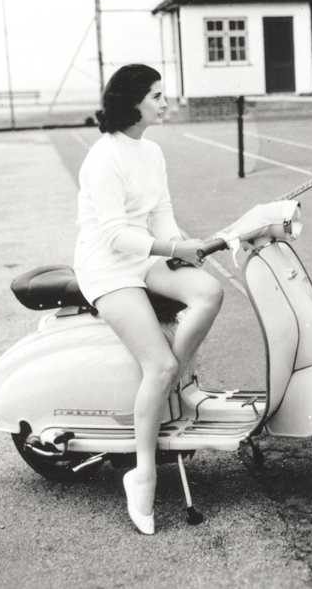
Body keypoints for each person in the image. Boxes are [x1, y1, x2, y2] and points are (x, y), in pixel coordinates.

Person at [73, 63, 224, 534]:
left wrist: (185, 247)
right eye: (157, 95)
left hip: (143, 256)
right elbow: (115, 236)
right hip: (106, 266)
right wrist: (174, 250)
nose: (165, 102)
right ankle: (142, 473)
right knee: (156, 366)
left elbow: (161, 214)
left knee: (209, 291)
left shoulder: (152, 151)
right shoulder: (103, 157)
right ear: (132, 102)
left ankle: (171, 380)